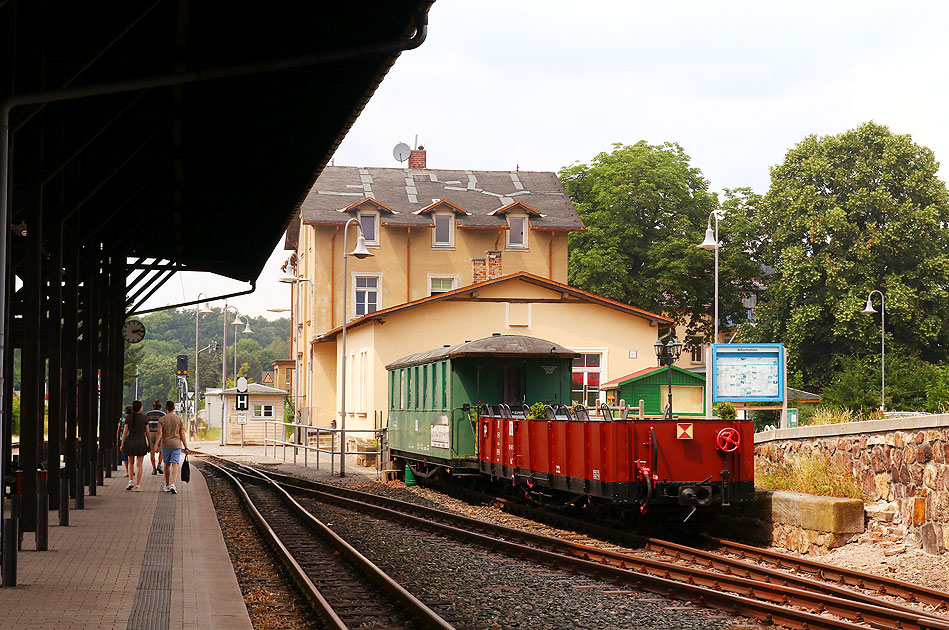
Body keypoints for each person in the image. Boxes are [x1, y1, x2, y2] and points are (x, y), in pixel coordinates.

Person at [155, 400, 189, 494]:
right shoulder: (179, 419)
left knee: (166, 465)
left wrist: (156, 444)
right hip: (176, 445)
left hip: (165, 445)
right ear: (174, 408)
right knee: (175, 464)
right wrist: (186, 447)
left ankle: (167, 485)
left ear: (166, 408)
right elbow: (182, 434)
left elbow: (159, 433)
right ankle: (173, 484)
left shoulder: (162, 420)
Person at [120, 401, 150, 491]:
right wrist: (149, 443)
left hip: (130, 442)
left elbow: (125, 432)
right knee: (139, 465)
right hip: (141, 442)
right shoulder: (144, 418)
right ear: (140, 408)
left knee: (130, 462)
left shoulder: (128, 418)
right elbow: (147, 432)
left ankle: (130, 481)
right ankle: (138, 485)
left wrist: (122, 444)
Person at [145, 399, 165, 475]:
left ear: (153, 406)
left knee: (152, 452)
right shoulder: (163, 414)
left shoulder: (148, 414)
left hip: (150, 433)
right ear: (160, 407)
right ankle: (159, 465)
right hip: (160, 434)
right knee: (161, 450)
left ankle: (154, 469)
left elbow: (145, 425)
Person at [116, 405, 132, 481]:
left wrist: (117, 441)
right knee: (131, 455)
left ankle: (127, 471)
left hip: (123, 438)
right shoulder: (133, 419)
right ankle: (131, 469)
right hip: (132, 439)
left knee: (125, 455)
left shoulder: (122, 420)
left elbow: (118, 430)